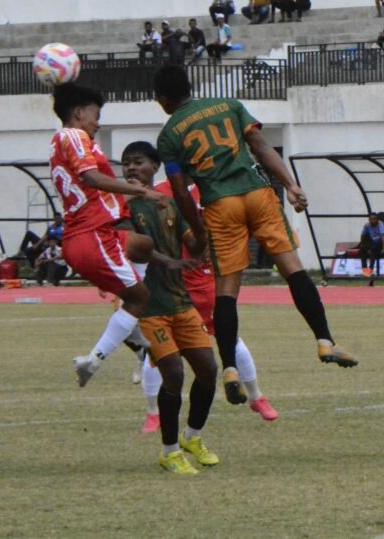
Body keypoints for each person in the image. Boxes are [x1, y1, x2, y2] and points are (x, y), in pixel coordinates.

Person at [153, 64, 358, 404]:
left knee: (226, 290)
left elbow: (179, 191)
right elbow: (261, 146)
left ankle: (231, 369)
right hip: (258, 194)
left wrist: (198, 231)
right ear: (189, 87)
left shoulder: (168, 135)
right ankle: (324, 340)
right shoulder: (229, 105)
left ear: (162, 99)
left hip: (220, 204)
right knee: (292, 269)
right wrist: (290, 185)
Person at [119, 141, 278, 431]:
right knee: (161, 354)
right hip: (171, 282)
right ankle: (154, 413)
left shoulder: (217, 190)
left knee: (229, 337)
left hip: (206, 278)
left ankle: (256, 396)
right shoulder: (162, 192)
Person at [48, 83, 166, 387]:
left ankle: (136, 337)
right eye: (95, 115)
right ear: (79, 113)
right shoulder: (74, 136)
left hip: (92, 235)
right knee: (140, 298)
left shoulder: (64, 142)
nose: (97, 123)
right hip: (92, 237)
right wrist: (140, 191)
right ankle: (94, 359)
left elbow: (89, 184)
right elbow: (91, 178)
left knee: (143, 246)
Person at [121, 143, 220, 475]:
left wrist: (205, 228)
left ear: (155, 167)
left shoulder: (170, 204)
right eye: (126, 164)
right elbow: (135, 250)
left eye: (138, 162)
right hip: (149, 307)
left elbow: (194, 244)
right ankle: (169, 451)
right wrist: (172, 262)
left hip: (181, 302)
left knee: (208, 370)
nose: (131, 168)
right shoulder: (122, 208)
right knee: (174, 374)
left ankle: (192, 437)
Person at [359, 212, 384, 276]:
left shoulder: (381, 225)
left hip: (379, 242)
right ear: (369, 220)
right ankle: (365, 269)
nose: (373, 221)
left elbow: (383, 237)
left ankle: (370, 269)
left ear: (377, 219)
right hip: (372, 242)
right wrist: (362, 245)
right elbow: (363, 235)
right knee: (362, 249)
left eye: (374, 219)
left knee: (373, 250)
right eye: (371, 219)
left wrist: (383, 248)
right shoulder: (367, 225)